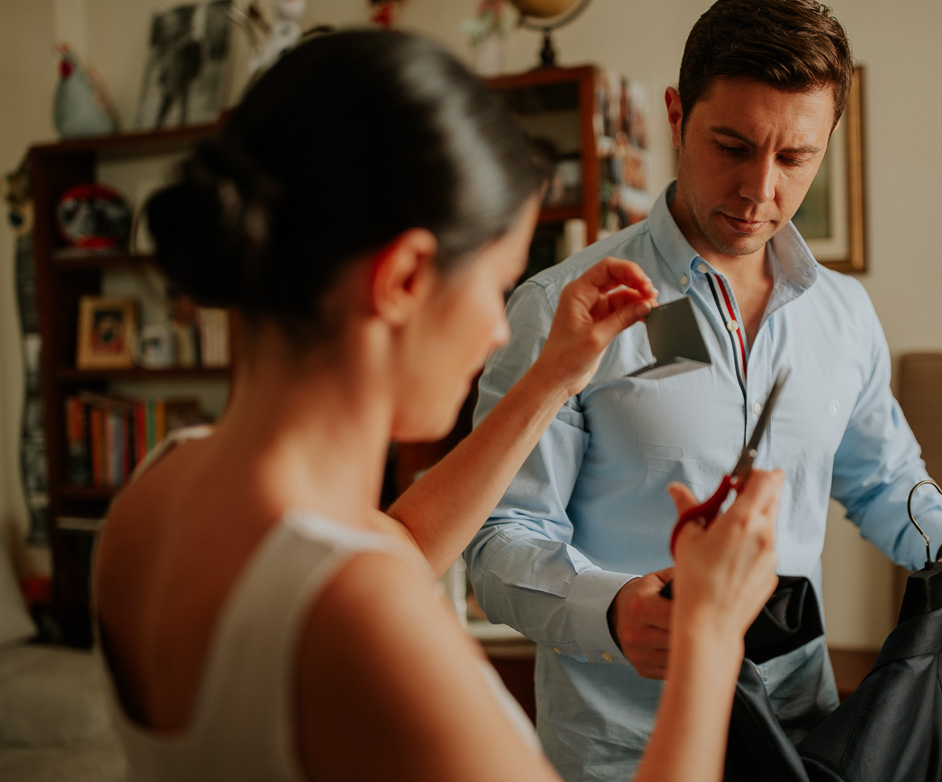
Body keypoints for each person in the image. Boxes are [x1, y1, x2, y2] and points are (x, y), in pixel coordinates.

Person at [93, 29, 783, 782]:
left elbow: (390, 544)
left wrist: (552, 377)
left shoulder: (160, 490)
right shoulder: (364, 620)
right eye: (494, 286)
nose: (496, 330)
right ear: (405, 279)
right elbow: (364, 578)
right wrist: (711, 638)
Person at [465, 1, 942, 780]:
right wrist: (613, 613)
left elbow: (883, 476)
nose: (760, 189)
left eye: (794, 157)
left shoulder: (844, 315)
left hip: (804, 740)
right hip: (625, 752)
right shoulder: (560, 309)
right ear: (674, 116)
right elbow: (497, 542)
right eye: (731, 145)